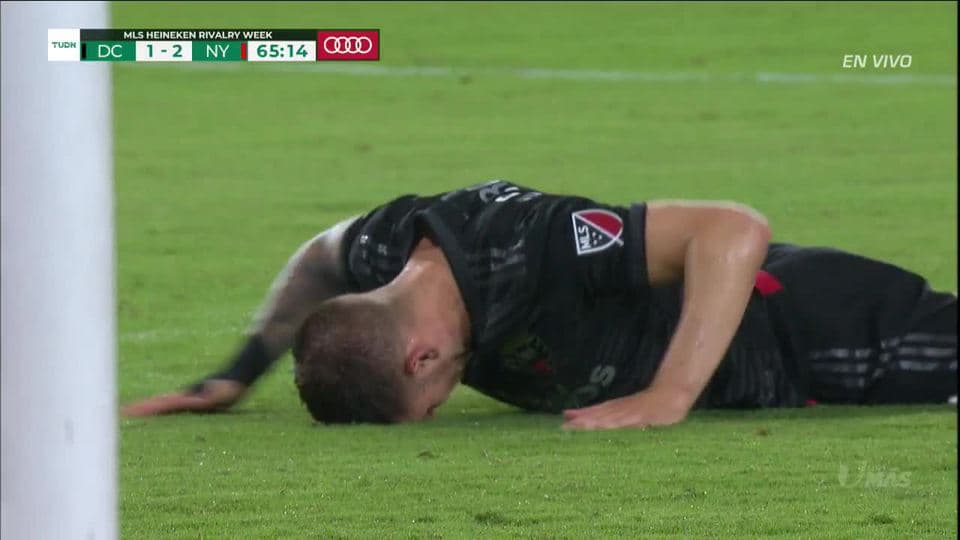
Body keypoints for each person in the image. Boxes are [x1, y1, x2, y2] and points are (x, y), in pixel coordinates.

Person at [122, 180, 957, 430]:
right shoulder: (382, 250)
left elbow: (732, 229)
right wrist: (236, 374)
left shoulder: (538, 247)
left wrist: (668, 396)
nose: (446, 400)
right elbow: (317, 257)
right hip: (758, 385)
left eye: (431, 399)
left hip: (827, 331)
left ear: (420, 357)